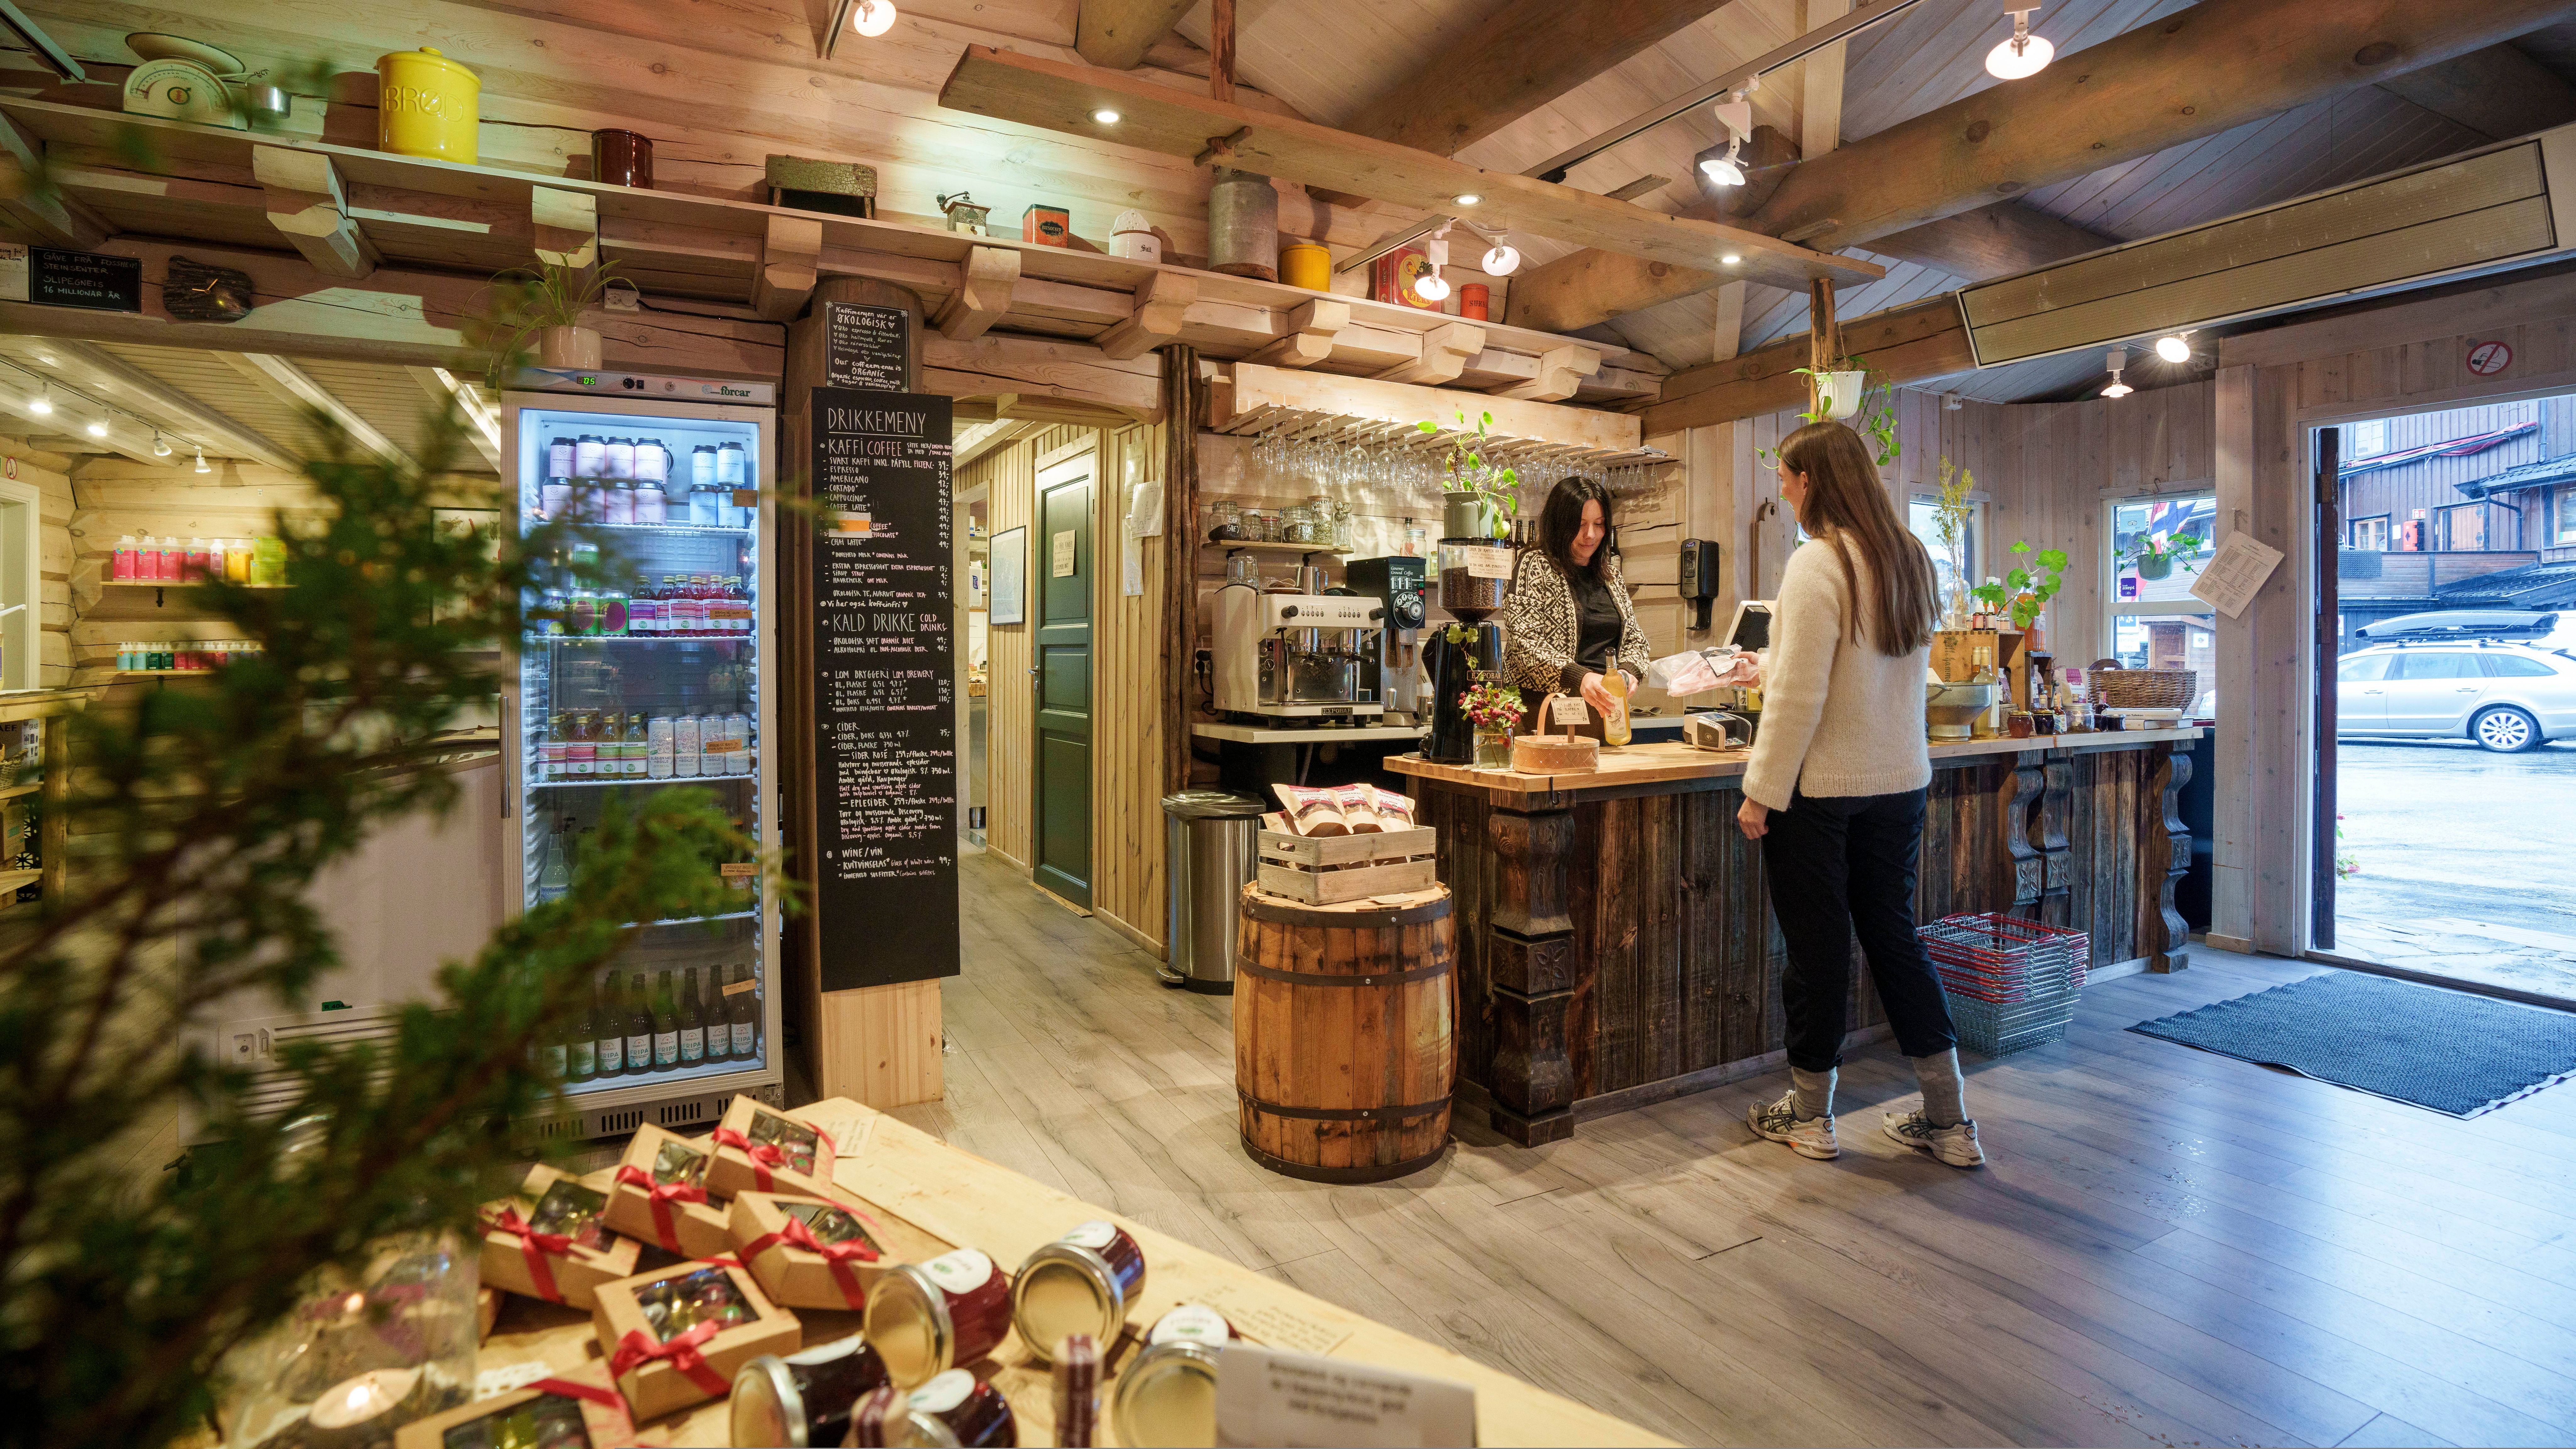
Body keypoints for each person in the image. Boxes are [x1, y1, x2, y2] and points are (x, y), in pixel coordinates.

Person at [1736, 422, 1984, 1168]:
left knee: (1815, 953)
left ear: (1813, 480)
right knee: (1895, 941)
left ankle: (1811, 1119)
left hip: (1821, 791)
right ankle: (1950, 1122)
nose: (1781, 488)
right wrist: (1772, 665)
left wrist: (1760, 793)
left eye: (1785, 475)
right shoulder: (1907, 556)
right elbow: (1880, 673)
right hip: (1898, 784)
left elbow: (1801, 700)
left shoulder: (1817, 564)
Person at [1504, 477, 1651, 723]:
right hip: (1544, 715)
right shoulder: (1535, 565)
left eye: (1599, 524)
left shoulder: (1611, 576)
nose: (1590, 534)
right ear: (1560, 523)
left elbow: (1636, 640)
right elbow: (1525, 644)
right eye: (1580, 524)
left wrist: (1628, 672)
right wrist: (1579, 677)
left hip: (1605, 714)